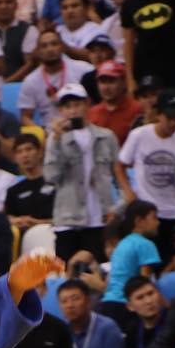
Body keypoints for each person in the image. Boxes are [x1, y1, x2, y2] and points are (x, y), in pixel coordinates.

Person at [116, 90, 175, 268]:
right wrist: (129, 193)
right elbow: (120, 166)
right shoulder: (139, 135)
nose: (173, 123)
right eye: (169, 118)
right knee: (149, 263)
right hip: (148, 211)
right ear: (158, 115)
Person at [44, 84, 120, 262]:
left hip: (99, 217)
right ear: (61, 110)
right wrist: (57, 141)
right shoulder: (55, 139)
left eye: (77, 105)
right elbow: (51, 176)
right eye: (67, 106)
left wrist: (117, 208)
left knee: (98, 268)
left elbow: (120, 176)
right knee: (67, 271)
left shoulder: (106, 137)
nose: (73, 111)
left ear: (87, 105)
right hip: (68, 218)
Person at [55, 278, 124, 348]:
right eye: (64, 301)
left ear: (88, 301)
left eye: (75, 299)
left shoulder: (107, 328)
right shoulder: (59, 332)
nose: (70, 305)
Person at [18, 29, 93, 129]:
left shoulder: (84, 70)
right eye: (44, 46)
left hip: (83, 127)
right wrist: (42, 134)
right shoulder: (30, 81)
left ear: (62, 47)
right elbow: (25, 117)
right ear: (38, 52)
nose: (50, 49)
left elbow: (97, 104)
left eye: (54, 44)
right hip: (50, 131)